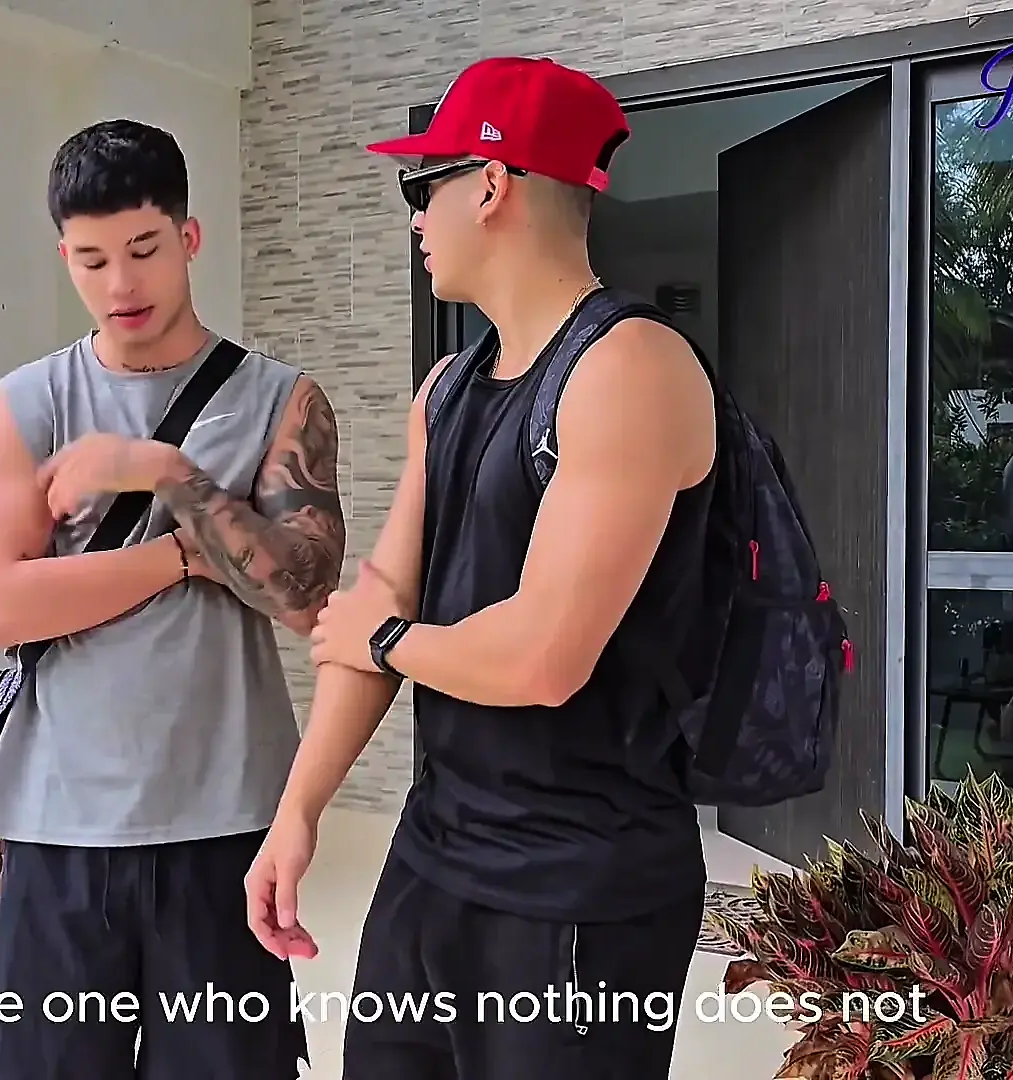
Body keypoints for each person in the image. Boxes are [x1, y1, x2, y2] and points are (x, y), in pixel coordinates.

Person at [244, 57, 720, 1079]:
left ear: (493, 184)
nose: (418, 218)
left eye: (425, 187)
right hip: (434, 859)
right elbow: (384, 594)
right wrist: (299, 810)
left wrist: (385, 638)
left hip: (580, 891)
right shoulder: (448, 389)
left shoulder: (631, 368)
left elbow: (542, 656)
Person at [0, 118, 343, 1079]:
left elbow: (304, 594)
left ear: (188, 238)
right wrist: (184, 554)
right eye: (92, 261)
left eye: (143, 249)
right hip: (58, 819)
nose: (121, 285)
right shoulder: (27, 403)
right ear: (65, 258)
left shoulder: (281, 400)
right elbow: (3, 606)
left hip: (226, 819)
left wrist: (163, 470)